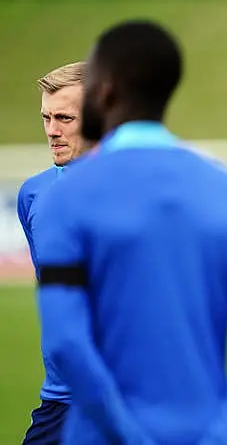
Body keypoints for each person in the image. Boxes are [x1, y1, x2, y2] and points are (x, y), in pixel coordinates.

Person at [34, 20, 227, 445]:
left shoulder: (66, 196)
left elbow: (65, 341)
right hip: (201, 432)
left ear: (104, 89)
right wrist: (224, 432)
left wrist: (123, 431)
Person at [17, 61, 91, 445]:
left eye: (64, 117)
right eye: (46, 117)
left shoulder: (146, 191)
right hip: (60, 401)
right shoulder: (33, 195)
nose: (51, 130)